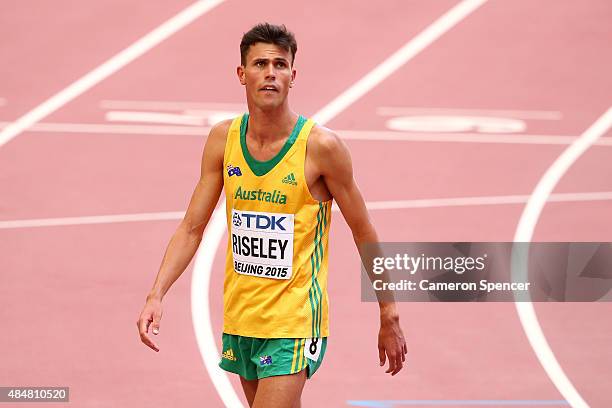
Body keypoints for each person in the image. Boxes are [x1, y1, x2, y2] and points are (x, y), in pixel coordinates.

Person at [137, 23, 407, 408]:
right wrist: (156, 293)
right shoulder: (222, 139)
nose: (270, 72)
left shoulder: (321, 147)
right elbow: (192, 227)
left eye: (280, 64)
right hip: (241, 318)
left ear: (293, 76)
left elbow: (364, 231)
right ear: (241, 74)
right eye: (260, 63)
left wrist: (389, 312)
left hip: (294, 321)